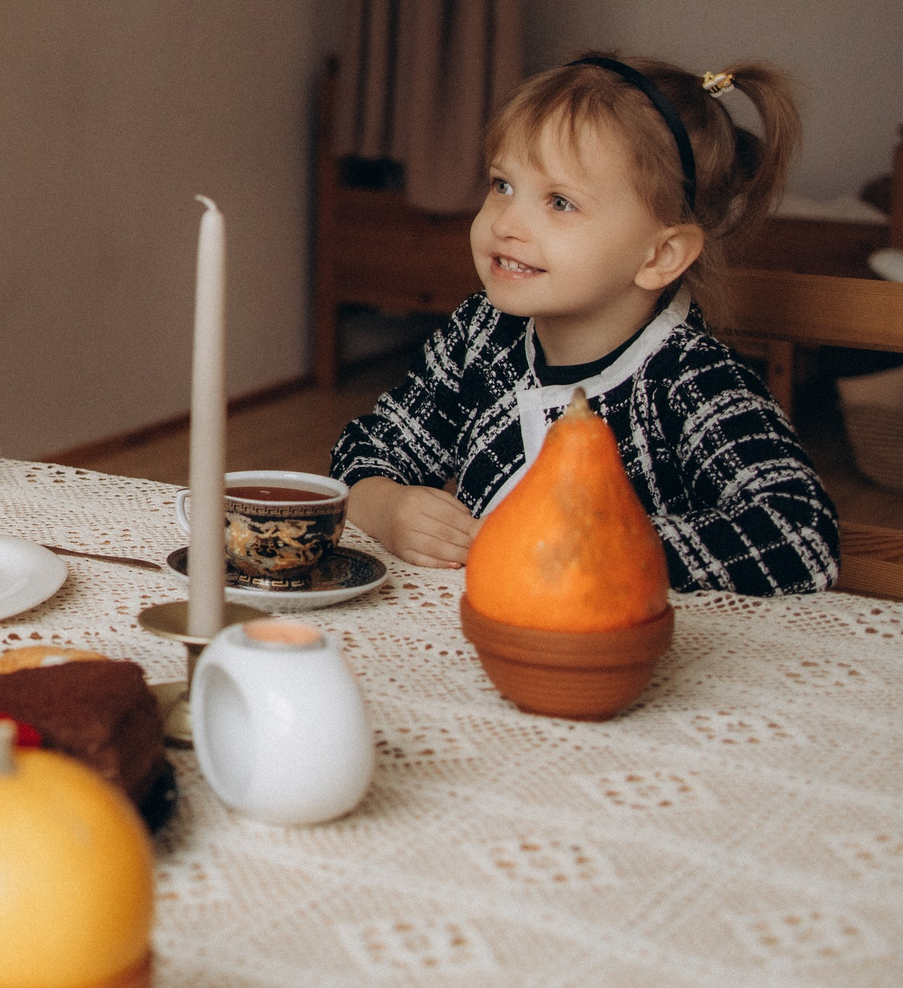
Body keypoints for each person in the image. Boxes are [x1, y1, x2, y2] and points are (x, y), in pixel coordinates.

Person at [331, 52, 838, 594]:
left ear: (659, 256)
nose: (507, 223)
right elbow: (373, 447)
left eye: (560, 202)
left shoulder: (692, 377)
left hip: (615, 657)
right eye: (502, 184)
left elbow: (802, 533)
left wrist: (605, 547)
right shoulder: (481, 333)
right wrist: (384, 504)